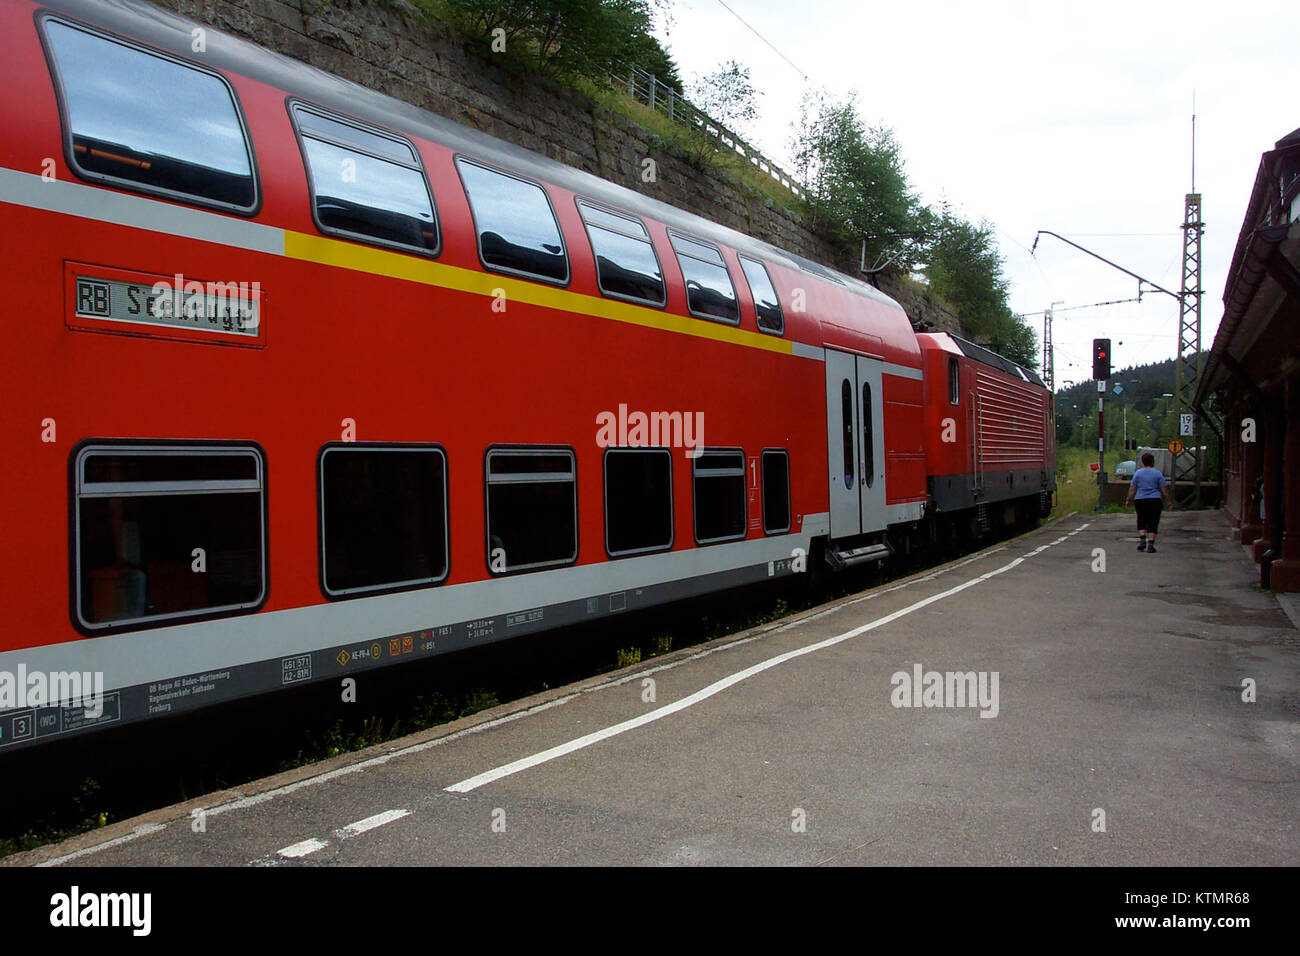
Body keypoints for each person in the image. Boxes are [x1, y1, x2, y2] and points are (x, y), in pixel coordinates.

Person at [1126, 452, 1172, 552]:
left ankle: (1142, 539)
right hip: (1155, 500)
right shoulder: (1157, 473)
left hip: (1140, 500)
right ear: (1153, 461)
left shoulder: (1138, 473)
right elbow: (1164, 489)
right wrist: (1169, 501)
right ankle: (1150, 543)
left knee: (1141, 519)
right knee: (1153, 521)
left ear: (1142, 462)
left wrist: (1128, 499)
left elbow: (1132, 489)